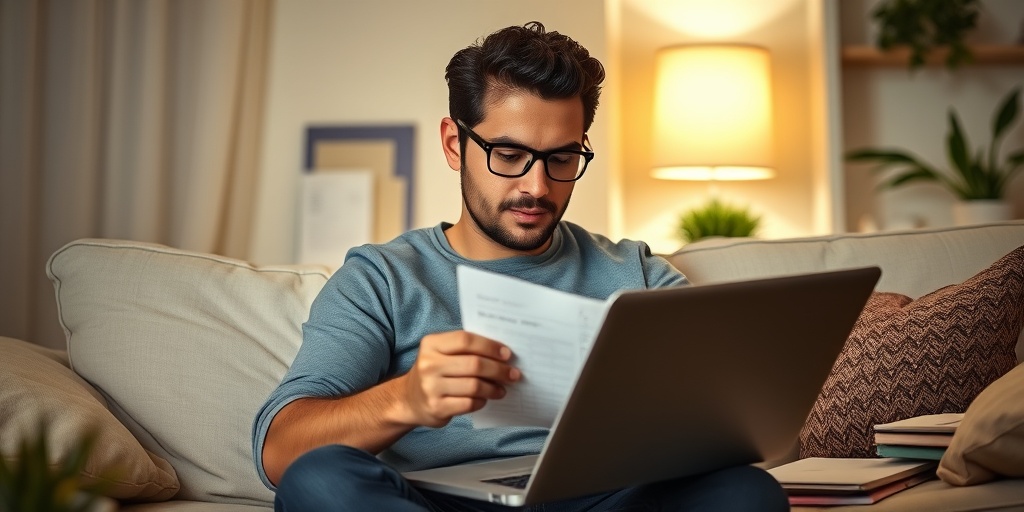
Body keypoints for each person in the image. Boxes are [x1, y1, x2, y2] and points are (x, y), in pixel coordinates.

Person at [253, 21, 788, 512]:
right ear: (453, 144)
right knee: (319, 480)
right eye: (508, 155)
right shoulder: (381, 279)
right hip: (441, 502)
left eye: (562, 158)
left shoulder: (636, 272)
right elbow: (281, 450)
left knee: (745, 491)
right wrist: (406, 398)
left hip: (604, 500)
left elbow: (723, 415)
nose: (536, 186)